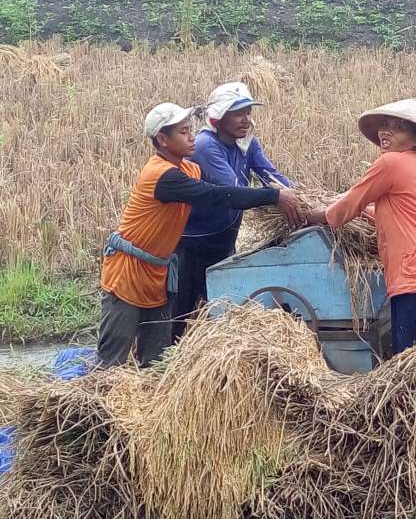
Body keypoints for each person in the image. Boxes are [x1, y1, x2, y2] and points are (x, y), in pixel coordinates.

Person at [98, 103, 303, 368]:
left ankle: (149, 404)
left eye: (190, 130)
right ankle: (96, 406)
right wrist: (274, 196)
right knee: (111, 362)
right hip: (128, 274)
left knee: (157, 361)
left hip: (158, 275)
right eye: (183, 132)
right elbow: (215, 195)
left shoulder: (189, 169)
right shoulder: (162, 176)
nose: (192, 137)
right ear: (162, 139)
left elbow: (222, 192)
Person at [307, 99, 416, 354]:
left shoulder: (392, 163)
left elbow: (347, 206)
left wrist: (315, 214)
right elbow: (397, 213)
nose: (386, 131)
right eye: (384, 125)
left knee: (414, 365)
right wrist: (361, 211)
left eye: (397, 127)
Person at [172, 82, 293, 342]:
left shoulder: (248, 144)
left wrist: (300, 197)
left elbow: (272, 176)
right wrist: (277, 197)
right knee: (184, 313)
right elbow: (234, 192)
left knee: (216, 305)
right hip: (193, 243)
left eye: (248, 112)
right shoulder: (206, 146)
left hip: (224, 239)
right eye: (238, 113)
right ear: (219, 117)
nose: (246, 119)